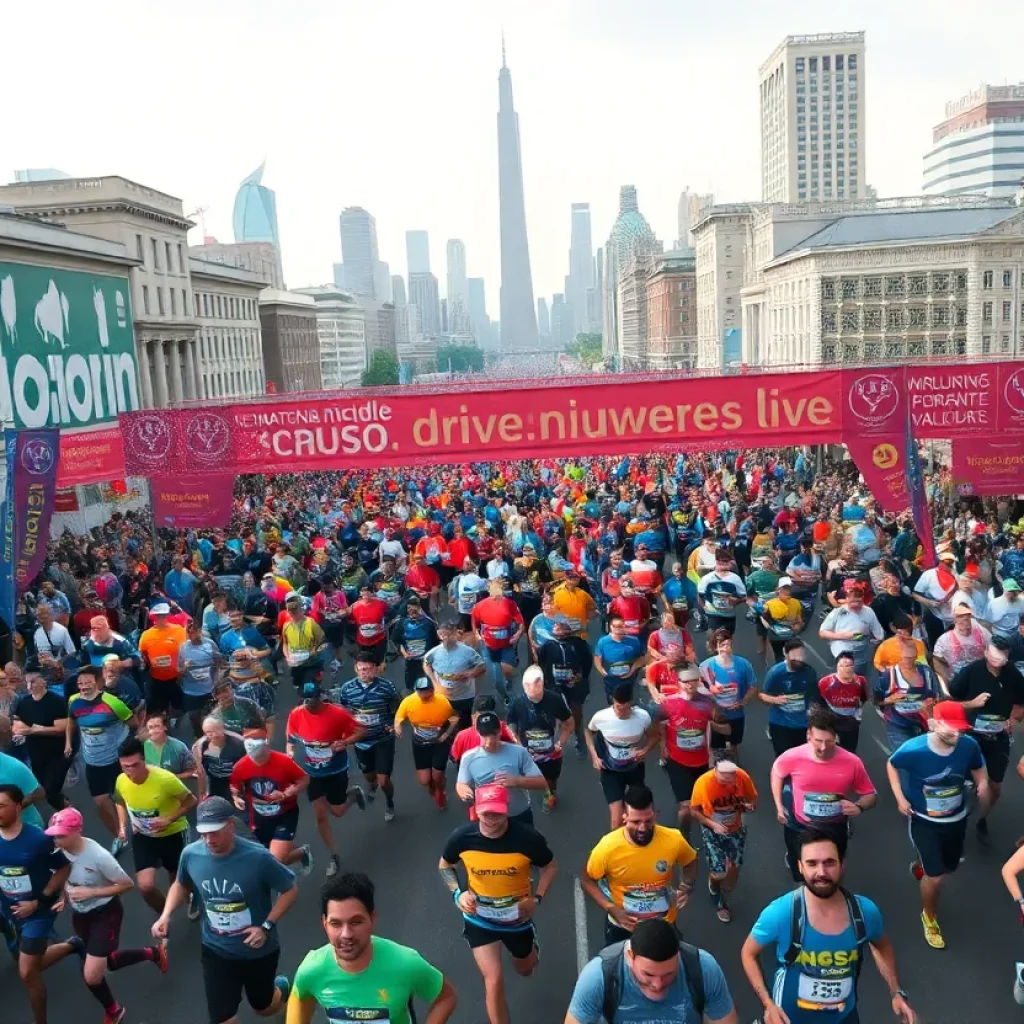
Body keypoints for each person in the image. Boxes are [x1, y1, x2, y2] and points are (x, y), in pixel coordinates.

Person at [740, 829, 916, 1024]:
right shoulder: (781, 913)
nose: (821, 872)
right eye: (812, 863)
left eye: (829, 863)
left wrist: (896, 992)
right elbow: (748, 953)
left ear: (842, 864)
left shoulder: (865, 912)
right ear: (800, 867)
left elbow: (882, 946)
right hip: (789, 1018)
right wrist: (768, 1005)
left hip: (843, 1016)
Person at [152, 795, 296, 1024]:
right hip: (216, 950)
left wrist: (266, 926)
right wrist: (166, 915)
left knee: (264, 1007)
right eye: (204, 833)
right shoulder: (191, 854)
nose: (209, 839)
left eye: (215, 832)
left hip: (257, 950)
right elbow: (181, 883)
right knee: (223, 1019)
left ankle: (282, 990)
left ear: (230, 825)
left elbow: (289, 889)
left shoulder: (258, 857)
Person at [438, 783, 557, 1024]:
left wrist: (537, 898)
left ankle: (531, 948)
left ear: (506, 810)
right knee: (493, 979)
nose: (492, 819)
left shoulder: (527, 838)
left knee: (525, 969)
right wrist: (458, 895)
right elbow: (445, 866)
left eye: (497, 813)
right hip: (479, 919)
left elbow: (550, 866)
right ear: (477, 810)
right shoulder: (462, 837)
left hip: (517, 920)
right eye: (486, 813)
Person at [46, 806, 167, 1024]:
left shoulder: (99, 857)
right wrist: (63, 898)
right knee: (107, 961)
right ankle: (153, 954)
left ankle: (115, 1010)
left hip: (105, 913)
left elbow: (126, 884)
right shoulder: (59, 853)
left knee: (92, 975)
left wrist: (91, 892)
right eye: (54, 835)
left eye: (61, 835)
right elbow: (64, 875)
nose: (57, 840)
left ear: (77, 831)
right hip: (81, 914)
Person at [286, 870, 458, 1023]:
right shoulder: (312, 969)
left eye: (355, 922)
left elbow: (446, 997)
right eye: (336, 924)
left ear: (372, 919)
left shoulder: (406, 963)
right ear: (325, 924)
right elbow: (301, 996)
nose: (346, 934)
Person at [886, 701, 990, 950]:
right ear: (933, 724)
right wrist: (900, 798)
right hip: (925, 820)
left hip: (956, 818)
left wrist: (983, 782)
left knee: (949, 866)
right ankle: (929, 917)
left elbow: (978, 767)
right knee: (936, 878)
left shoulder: (968, 745)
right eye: (949, 729)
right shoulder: (914, 749)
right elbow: (892, 764)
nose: (955, 735)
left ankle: (923, 865)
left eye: (959, 730)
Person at [0, 784, 80, 1024]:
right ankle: (72, 945)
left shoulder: (38, 839)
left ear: (17, 806)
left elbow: (64, 867)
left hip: (37, 911)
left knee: (27, 972)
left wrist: (40, 900)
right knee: (31, 962)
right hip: (7, 906)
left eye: (1, 806)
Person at [581, 783, 697, 944]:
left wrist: (686, 886)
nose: (642, 828)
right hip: (624, 926)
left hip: (663, 923)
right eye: (635, 822)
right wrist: (611, 908)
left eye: (648, 821)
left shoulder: (674, 839)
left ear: (655, 815)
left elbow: (690, 861)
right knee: (620, 968)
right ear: (624, 817)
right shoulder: (607, 848)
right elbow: (587, 879)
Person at [772, 708, 877, 882]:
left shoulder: (852, 762)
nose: (822, 747)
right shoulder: (792, 757)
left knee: (833, 870)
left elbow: (870, 795)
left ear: (836, 737)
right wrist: (779, 805)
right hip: (799, 825)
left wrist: (859, 807)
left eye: (829, 741)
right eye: (818, 741)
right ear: (808, 736)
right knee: (800, 869)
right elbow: (777, 772)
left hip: (834, 826)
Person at [566, 916, 737, 1024]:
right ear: (629, 956)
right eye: (648, 974)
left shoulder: (703, 968)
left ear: (678, 955)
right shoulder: (599, 977)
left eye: (668, 974)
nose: (657, 984)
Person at [945, 635, 1024, 844]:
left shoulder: (1013, 675)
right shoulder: (972, 671)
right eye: (996, 654)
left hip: (998, 737)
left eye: (1004, 655)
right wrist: (972, 703)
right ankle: (953, 819)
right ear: (986, 652)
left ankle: (982, 819)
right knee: (963, 782)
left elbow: (1021, 703)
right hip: (971, 735)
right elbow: (950, 703)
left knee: (995, 786)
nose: (1000, 659)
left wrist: (1014, 718)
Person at [285, 683, 366, 877]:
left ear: (320, 697)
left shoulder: (337, 714)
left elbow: (361, 731)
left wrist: (345, 742)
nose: (308, 703)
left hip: (336, 770)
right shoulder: (297, 714)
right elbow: (291, 737)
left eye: (312, 698)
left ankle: (353, 795)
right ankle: (334, 855)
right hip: (312, 773)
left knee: (337, 811)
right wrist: (290, 752)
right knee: (321, 815)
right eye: (305, 699)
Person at [114, 736, 197, 915]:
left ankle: (189, 896)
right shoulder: (121, 780)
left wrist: (168, 819)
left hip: (173, 833)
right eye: (125, 766)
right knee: (146, 887)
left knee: (178, 880)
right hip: (144, 836)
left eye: (135, 765)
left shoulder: (165, 779)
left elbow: (191, 801)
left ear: (144, 760)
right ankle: (166, 915)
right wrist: (122, 825)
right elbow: (120, 801)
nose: (130, 771)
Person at [652, 664, 730, 839]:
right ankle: (684, 836)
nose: (689, 685)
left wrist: (711, 724)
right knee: (686, 807)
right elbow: (658, 724)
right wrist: (663, 744)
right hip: (677, 761)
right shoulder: (668, 703)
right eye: (685, 682)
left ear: (698, 682)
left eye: (693, 681)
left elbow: (726, 729)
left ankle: (707, 830)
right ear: (679, 683)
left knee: (702, 803)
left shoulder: (708, 704)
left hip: (701, 761)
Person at [66, 665, 134, 853]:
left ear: (98, 683)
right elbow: (71, 721)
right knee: (100, 803)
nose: (84, 686)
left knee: (122, 798)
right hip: (92, 762)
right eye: (80, 683)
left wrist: (125, 746)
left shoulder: (113, 703)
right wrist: (69, 744)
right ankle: (119, 836)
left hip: (114, 760)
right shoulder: (73, 701)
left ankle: (136, 824)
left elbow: (133, 723)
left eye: (88, 682)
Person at [230, 727, 314, 871]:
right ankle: (301, 853)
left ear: (266, 746)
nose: (255, 760)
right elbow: (234, 785)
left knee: (275, 860)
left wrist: (286, 794)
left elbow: (304, 779)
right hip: (259, 817)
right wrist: (236, 797)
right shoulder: (241, 766)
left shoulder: (284, 761)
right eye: (252, 756)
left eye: (258, 756)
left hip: (285, 814)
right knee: (265, 860)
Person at [334, 654, 401, 822]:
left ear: (376, 668)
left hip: (382, 738)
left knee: (384, 779)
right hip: (361, 741)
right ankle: (371, 785)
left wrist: (394, 724)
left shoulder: (387, 687)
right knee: (369, 776)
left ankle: (389, 802)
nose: (364, 672)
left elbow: (398, 707)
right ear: (356, 669)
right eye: (360, 669)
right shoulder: (347, 689)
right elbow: (343, 712)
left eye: (368, 668)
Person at [586, 684, 659, 832]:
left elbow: (655, 736)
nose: (620, 711)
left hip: (634, 768)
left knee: (641, 811)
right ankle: (617, 849)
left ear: (630, 704)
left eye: (624, 708)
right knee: (616, 820)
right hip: (610, 770)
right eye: (617, 707)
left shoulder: (642, 717)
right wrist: (594, 756)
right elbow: (588, 732)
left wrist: (645, 750)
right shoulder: (601, 717)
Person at [456, 710, 546, 826]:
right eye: (485, 735)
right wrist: (465, 792)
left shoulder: (519, 752)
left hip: (517, 813)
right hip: (488, 817)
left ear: (500, 731)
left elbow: (541, 783)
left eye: (493, 733)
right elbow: (461, 784)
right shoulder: (469, 758)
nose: (489, 740)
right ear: (478, 733)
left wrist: (516, 781)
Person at [507, 665, 573, 813]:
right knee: (528, 778)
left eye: (537, 696)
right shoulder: (518, 702)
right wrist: (517, 742)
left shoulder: (554, 700)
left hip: (551, 752)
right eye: (530, 697)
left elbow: (569, 723)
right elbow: (511, 723)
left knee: (550, 780)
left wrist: (560, 742)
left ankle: (550, 794)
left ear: (542, 685)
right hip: (528, 751)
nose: (534, 698)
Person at [394, 676, 460, 809]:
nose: (423, 694)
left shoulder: (442, 701)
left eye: (426, 691)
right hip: (420, 743)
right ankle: (432, 788)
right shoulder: (409, 701)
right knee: (425, 780)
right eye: (420, 691)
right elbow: (399, 716)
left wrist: (446, 733)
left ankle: (441, 791)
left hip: (438, 742)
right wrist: (398, 726)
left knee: (438, 774)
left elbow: (454, 718)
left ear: (432, 690)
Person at [700, 630, 758, 762]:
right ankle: (718, 768)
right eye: (721, 645)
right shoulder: (706, 666)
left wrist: (743, 701)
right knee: (717, 747)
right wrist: (712, 704)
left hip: (736, 713)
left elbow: (753, 686)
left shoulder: (743, 664)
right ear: (715, 647)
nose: (725, 648)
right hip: (717, 714)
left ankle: (734, 765)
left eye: (728, 645)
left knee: (734, 744)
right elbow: (699, 688)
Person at [537, 616, 592, 755]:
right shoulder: (547, 646)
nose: (558, 629)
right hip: (554, 685)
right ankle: (552, 742)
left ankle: (580, 739)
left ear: (568, 630)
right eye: (556, 627)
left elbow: (587, 663)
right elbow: (542, 664)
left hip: (574, 685)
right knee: (553, 713)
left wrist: (581, 677)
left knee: (576, 711)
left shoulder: (579, 644)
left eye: (561, 627)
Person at [873, 639, 940, 751]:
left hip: (923, 722)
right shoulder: (888, 674)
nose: (908, 661)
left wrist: (931, 706)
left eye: (912, 657)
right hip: (898, 723)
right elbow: (876, 700)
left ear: (916, 656)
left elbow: (936, 695)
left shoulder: (926, 672)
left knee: (922, 756)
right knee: (904, 756)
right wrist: (888, 700)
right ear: (900, 655)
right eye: (906, 657)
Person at [423, 618, 488, 729]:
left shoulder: (468, 652)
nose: (446, 638)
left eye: (449, 635)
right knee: (444, 724)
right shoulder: (433, 653)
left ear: (455, 634)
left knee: (465, 725)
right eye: (443, 635)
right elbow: (426, 664)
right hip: (444, 697)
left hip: (465, 696)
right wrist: (435, 683)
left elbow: (482, 667)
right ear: (439, 636)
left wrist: (468, 674)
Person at [471, 578, 525, 706]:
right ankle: (505, 695)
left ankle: (508, 683)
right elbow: (474, 624)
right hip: (489, 646)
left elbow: (521, 623)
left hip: (506, 644)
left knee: (506, 670)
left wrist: (517, 636)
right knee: (496, 678)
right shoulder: (480, 606)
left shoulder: (510, 604)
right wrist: (477, 635)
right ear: (489, 590)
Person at [760, 639, 818, 755]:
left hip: (803, 723)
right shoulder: (776, 673)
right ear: (786, 655)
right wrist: (775, 700)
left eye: (801, 656)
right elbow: (762, 695)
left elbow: (814, 696)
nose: (799, 660)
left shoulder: (810, 672)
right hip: (780, 722)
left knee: (801, 756)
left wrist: (814, 710)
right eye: (794, 657)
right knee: (783, 755)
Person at [818, 585, 883, 682]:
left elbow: (879, 634)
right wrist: (844, 636)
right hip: (841, 648)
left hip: (861, 651)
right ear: (847, 599)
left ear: (863, 599)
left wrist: (876, 641)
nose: (856, 605)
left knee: (859, 679)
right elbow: (822, 633)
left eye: (859, 602)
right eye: (853, 602)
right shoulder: (839, 612)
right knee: (845, 676)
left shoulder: (869, 612)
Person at [813, 652, 871, 753]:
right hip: (831, 720)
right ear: (837, 667)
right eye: (842, 665)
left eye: (848, 665)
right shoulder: (825, 682)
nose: (845, 668)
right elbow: (818, 703)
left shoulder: (861, 681)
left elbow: (864, 698)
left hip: (850, 722)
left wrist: (857, 716)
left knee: (849, 751)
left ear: (853, 666)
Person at [137, 602, 187, 717]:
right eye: (158, 616)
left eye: (163, 615)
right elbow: (142, 654)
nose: (161, 618)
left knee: (178, 706)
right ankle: (162, 721)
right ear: (153, 617)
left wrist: (184, 666)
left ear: (167, 615)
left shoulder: (179, 630)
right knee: (158, 708)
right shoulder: (146, 635)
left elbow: (187, 650)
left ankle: (177, 722)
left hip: (177, 677)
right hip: (156, 678)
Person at [178, 617, 222, 738]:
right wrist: (184, 668)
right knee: (195, 719)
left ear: (200, 631)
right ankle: (200, 739)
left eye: (195, 631)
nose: (192, 634)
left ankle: (212, 738)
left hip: (208, 689)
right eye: (189, 632)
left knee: (211, 718)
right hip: (191, 692)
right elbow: (178, 672)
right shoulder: (183, 647)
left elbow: (218, 662)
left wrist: (216, 681)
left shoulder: (210, 644)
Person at [932, 603, 991, 688]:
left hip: (980, 676)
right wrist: (947, 679)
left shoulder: (982, 633)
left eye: (967, 618)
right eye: (960, 618)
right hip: (958, 680)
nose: (965, 627)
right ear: (955, 620)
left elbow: (992, 648)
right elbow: (937, 660)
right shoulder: (944, 640)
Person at [697, 551, 747, 647]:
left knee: (727, 641)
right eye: (720, 563)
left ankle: (724, 657)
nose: (723, 566)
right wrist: (704, 608)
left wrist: (737, 601)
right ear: (716, 563)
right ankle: (713, 656)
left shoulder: (735, 578)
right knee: (713, 640)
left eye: (725, 563)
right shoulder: (707, 579)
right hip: (713, 614)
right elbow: (699, 595)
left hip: (729, 615)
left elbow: (744, 596)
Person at [594, 615, 646, 704]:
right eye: (616, 626)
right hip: (611, 679)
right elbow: (597, 657)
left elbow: (643, 658)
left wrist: (632, 669)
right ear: (610, 627)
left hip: (630, 679)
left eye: (622, 626)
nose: (619, 629)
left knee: (630, 702)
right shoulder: (603, 642)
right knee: (613, 702)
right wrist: (602, 671)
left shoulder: (634, 641)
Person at [281, 593, 328, 689]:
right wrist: (287, 656)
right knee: (298, 685)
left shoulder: (310, 623)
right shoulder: (286, 626)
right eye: (291, 612)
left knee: (309, 688)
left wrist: (314, 652)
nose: (293, 614)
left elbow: (323, 642)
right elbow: (285, 643)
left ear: (301, 610)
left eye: (295, 611)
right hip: (296, 663)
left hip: (311, 663)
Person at [394, 596, 439, 692]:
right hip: (411, 660)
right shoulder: (402, 623)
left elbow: (435, 642)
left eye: (414, 608)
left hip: (426, 660)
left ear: (420, 609)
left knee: (428, 683)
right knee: (411, 684)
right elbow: (397, 640)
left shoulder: (428, 623)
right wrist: (404, 653)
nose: (411, 611)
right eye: (409, 608)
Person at [143, 711, 197, 778]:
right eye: (150, 727)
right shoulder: (144, 746)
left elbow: (192, 770)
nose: (153, 730)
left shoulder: (179, 747)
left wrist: (173, 777)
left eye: (157, 726)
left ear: (164, 727)